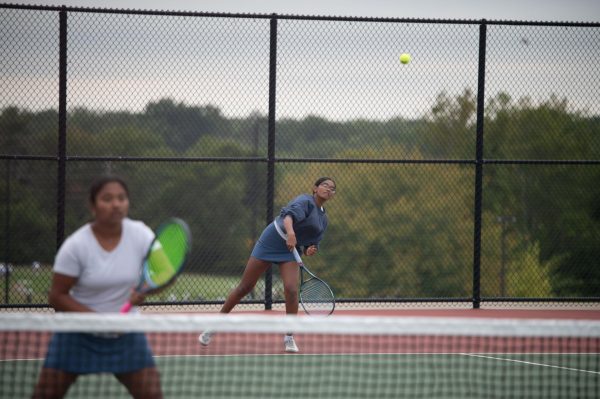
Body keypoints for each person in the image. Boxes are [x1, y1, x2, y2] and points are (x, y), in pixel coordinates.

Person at [32, 175, 163, 399]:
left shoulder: (141, 234)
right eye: (107, 199)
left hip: (126, 335)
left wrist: (147, 290)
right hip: (76, 335)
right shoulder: (76, 245)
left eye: (121, 198)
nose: (116, 204)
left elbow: (163, 276)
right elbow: (56, 296)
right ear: (93, 206)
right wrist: (98, 320)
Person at [199, 177, 336, 353]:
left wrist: (310, 249)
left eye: (332, 188)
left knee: (292, 290)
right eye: (325, 185)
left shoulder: (323, 220)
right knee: (245, 287)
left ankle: (289, 336)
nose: (328, 189)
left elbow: (313, 243)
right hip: (272, 239)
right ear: (315, 188)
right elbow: (287, 217)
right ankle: (214, 326)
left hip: (290, 250)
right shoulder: (305, 201)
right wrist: (292, 233)